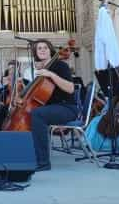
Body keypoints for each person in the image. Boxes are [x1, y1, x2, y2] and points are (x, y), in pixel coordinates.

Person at [15, 39, 78, 171]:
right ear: (36, 53)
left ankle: (43, 162)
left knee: (38, 114)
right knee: (4, 113)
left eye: (45, 48)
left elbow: (70, 88)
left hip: (66, 108)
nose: (42, 50)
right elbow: (39, 94)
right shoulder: (42, 69)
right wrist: (22, 94)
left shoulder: (60, 66)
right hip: (51, 108)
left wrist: (51, 75)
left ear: (50, 51)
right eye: (39, 48)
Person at [85, 66, 119, 152]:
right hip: (115, 108)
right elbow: (111, 101)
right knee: (96, 119)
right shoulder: (112, 86)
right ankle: (89, 143)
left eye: (116, 73)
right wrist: (105, 110)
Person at [0, 61, 28, 130]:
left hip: (20, 105)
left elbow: (28, 92)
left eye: (13, 68)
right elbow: (2, 96)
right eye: (10, 68)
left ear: (18, 69)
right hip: (8, 105)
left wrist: (22, 83)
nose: (11, 70)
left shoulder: (25, 81)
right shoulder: (7, 81)